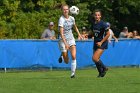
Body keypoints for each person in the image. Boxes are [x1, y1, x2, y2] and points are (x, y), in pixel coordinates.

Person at [58, 4, 83, 78]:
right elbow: (61, 33)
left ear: (69, 10)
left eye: (67, 9)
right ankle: (63, 56)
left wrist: (79, 35)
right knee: (66, 61)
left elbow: (75, 27)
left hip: (71, 38)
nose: (65, 10)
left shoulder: (72, 18)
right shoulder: (61, 19)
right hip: (62, 40)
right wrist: (65, 44)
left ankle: (72, 74)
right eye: (64, 9)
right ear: (62, 11)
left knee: (73, 56)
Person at [92, 9, 110, 77]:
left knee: (95, 58)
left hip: (102, 43)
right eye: (96, 15)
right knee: (96, 59)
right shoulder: (94, 23)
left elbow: (108, 34)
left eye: (98, 15)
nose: (97, 16)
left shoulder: (103, 24)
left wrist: (101, 42)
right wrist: (87, 34)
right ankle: (101, 73)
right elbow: (94, 32)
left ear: (100, 16)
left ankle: (104, 68)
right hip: (96, 42)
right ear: (94, 16)